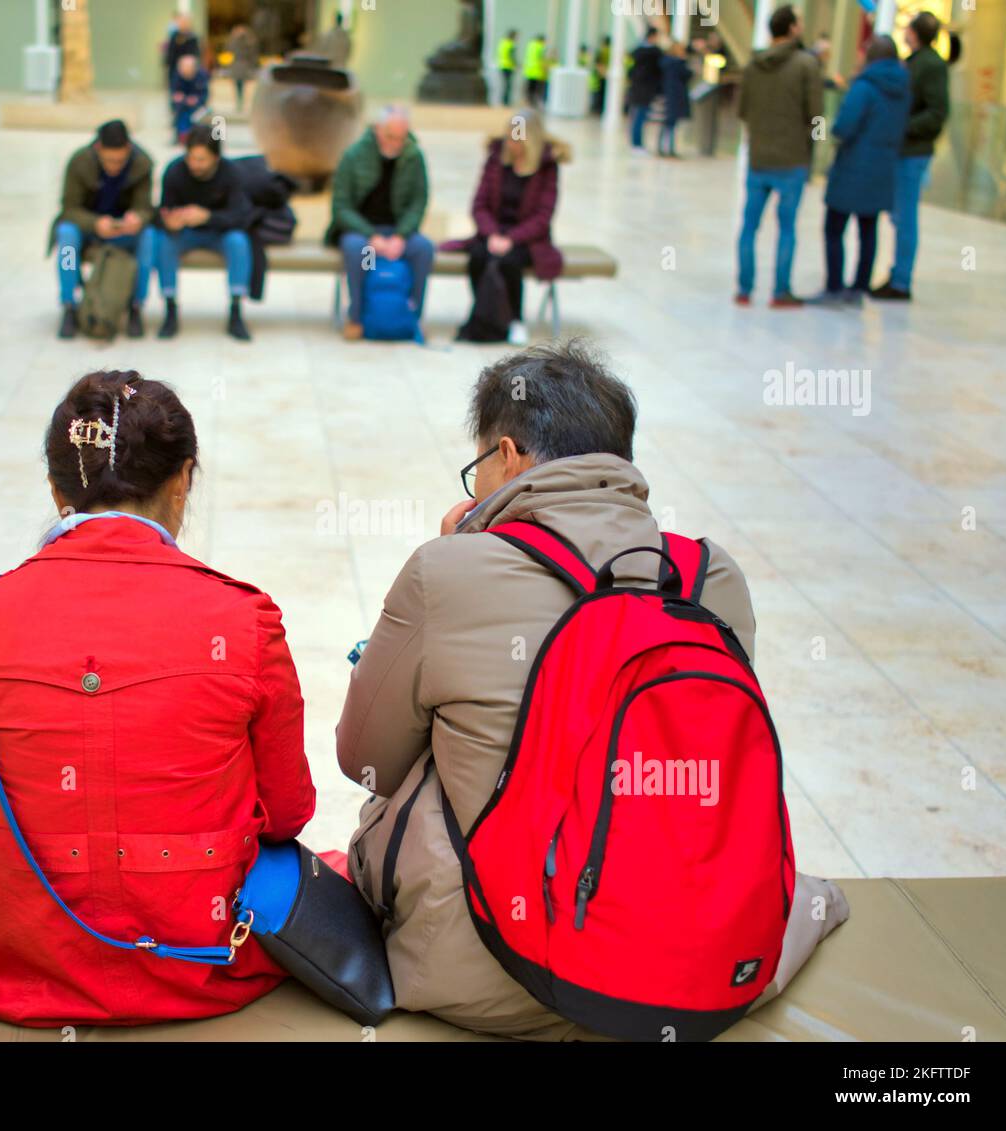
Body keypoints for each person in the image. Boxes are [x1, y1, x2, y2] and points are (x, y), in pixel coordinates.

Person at [335, 339, 850, 1040]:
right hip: (701, 967)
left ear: (508, 457)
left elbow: (367, 759)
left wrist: (454, 557)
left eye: (476, 467)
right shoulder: (708, 577)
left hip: (494, 973)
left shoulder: (446, 574)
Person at [0, 370, 316, 1027]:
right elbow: (288, 811)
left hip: (21, 951)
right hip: (200, 959)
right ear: (185, 479)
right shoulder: (244, 616)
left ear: (57, 489)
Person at [451, 108, 568, 345]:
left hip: (528, 238)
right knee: (478, 256)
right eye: (510, 138)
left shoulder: (546, 167)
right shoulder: (496, 160)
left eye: (518, 140)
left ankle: (515, 319)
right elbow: (479, 204)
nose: (512, 145)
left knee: (509, 261)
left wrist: (511, 238)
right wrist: (492, 233)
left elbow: (543, 215)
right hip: (493, 231)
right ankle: (486, 315)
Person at [808, 36, 909, 308]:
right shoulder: (903, 86)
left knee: (834, 228)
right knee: (868, 229)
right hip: (883, 167)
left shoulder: (865, 86)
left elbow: (845, 125)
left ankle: (834, 287)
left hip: (854, 166)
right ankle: (859, 288)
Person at [735, 5, 822, 307]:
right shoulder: (806, 64)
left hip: (759, 157)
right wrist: (815, 149)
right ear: (793, 29)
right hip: (792, 160)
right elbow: (816, 116)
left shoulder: (753, 64)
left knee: (749, 226)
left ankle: (744, 289)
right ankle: (780, 291)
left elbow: (742, 111)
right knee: (786, 228)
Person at [326, 105, 433, 342]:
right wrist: (371, 236)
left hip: (398, 231)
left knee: (423, 249)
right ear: (377, 130)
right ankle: (357, 318)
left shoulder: (414, 156)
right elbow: (341, 206)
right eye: (390, 136)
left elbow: (419, 201)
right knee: (361, 252)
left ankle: (413, 317)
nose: (396, 143)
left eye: (401, 137)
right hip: (361, 231)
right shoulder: (354, 155)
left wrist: (400, 236)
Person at [49, 119, 156, 340]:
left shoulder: (142, 163)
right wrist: (95, 224)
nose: (113, 166)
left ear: (128, 149)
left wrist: (137, 218)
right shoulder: (80, 162)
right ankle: (69, 303)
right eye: (108, 160)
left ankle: (136, 304)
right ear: (98, 148)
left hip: (124, 230)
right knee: (66, 236)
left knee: (149, 237)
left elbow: (145, 207)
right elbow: (69, 209)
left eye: (119, 160)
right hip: (88, 228)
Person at [871, 11, 950, 301]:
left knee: (905, 217)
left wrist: (903, 127)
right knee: (898, 215)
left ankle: (901, 281)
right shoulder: (916, 63)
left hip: (913, 153)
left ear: (915, 33)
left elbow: (937, 112)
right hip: (904, 151)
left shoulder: (931, 65)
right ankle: (897, 275)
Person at [154, 125, 254, 342]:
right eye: (191, 158)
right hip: (185, 234)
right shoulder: (174, 171)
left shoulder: (232, 173)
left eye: (202, 160)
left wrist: (207, 217)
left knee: (239, 241)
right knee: (164, 242)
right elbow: (162, 212)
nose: (195, 165)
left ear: (216, 158)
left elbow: (242, 217)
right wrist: (171, 222)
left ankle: (235, 310)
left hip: (220, 234)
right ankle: (170, 308)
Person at [164, 13, 201, 143]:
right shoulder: (174, 36)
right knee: (176, 105)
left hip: (189, 74)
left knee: (189, 110)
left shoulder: (192, 37)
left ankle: (190, 134)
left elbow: (195, 55)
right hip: (176, 73)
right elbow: (169, 55)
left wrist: (188, 66)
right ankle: (178, 134)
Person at [627, 26, 663, 153]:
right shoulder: (654, 53)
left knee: (636, 117)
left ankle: (636, 144)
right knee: (639, 118)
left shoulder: (636, 51)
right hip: (644, 90)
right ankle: (637, 145)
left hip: (636, 89)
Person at [657, 41, 692, 157]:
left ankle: (663, 147)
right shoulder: (677, 63)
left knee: (668, 123)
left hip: (671, 94)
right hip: (675, 95)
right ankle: (668, 149)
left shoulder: (667, 62)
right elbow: (687, 74)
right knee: (670, 124)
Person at [170, 53, 209, 143]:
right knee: (181, 113)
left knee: (193, 115)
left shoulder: (201, 75)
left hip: (198, 106)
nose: (185, 71)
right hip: (183, 105)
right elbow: (175, 93)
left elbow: (204, 94)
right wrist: (183, 99)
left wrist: (196, 99)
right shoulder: (177, 76)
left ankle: (192, 136)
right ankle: (182, 136)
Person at [224, 22, 259, 113]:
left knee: (242, 86)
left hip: (242, 66)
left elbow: (252, 54)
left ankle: (241, 103)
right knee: (239, 85)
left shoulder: (247, 41)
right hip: (238, 66)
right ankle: (240, 103)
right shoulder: (245, 41)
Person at [523, 33, 548, 106]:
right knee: (536, 88)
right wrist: (544, 68)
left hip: (528, 69)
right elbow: (541, 59)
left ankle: (528, 101)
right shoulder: (541, 47)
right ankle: (534, 103)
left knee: (529, 87)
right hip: (537, 70)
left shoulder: (530, 45)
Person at [497, 29, 518, 107]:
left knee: (504, 84)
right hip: (508, 66)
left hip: (502, 65)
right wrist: (516, 64)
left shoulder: (502, 43)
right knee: (508, 85)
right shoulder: (511, 44)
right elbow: (512, 56)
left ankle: (502, 101)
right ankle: (506, 102)